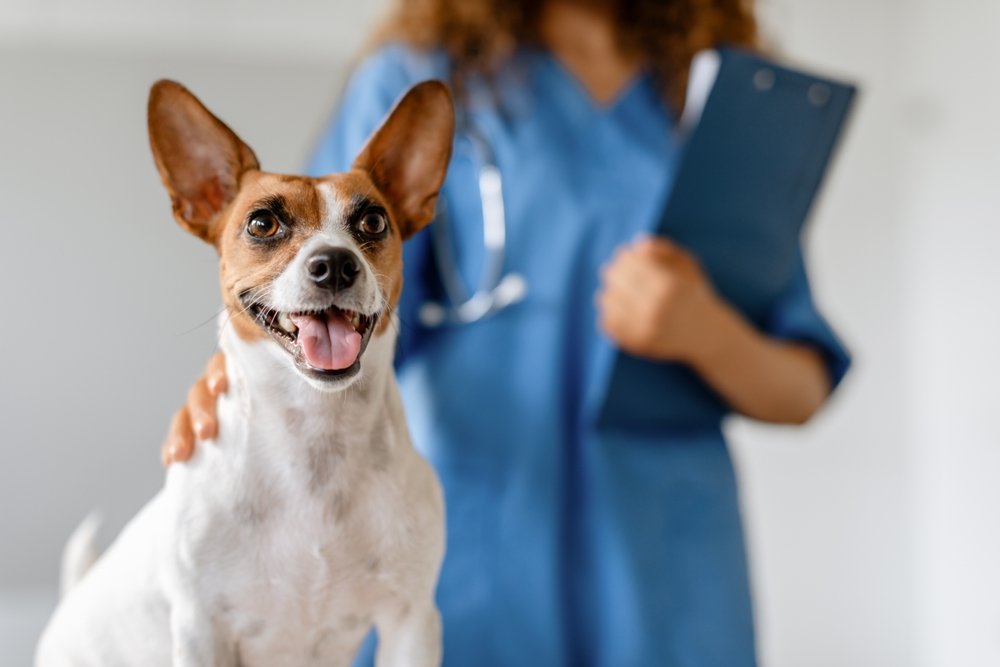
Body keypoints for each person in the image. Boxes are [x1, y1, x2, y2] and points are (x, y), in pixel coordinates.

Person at [162, 0, 849, 664]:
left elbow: (803, 388)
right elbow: (313, 298)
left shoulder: (729, 103)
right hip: (477, 536)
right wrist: (228, 386)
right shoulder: (415, 78)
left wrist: (708, 331)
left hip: (667, 557)